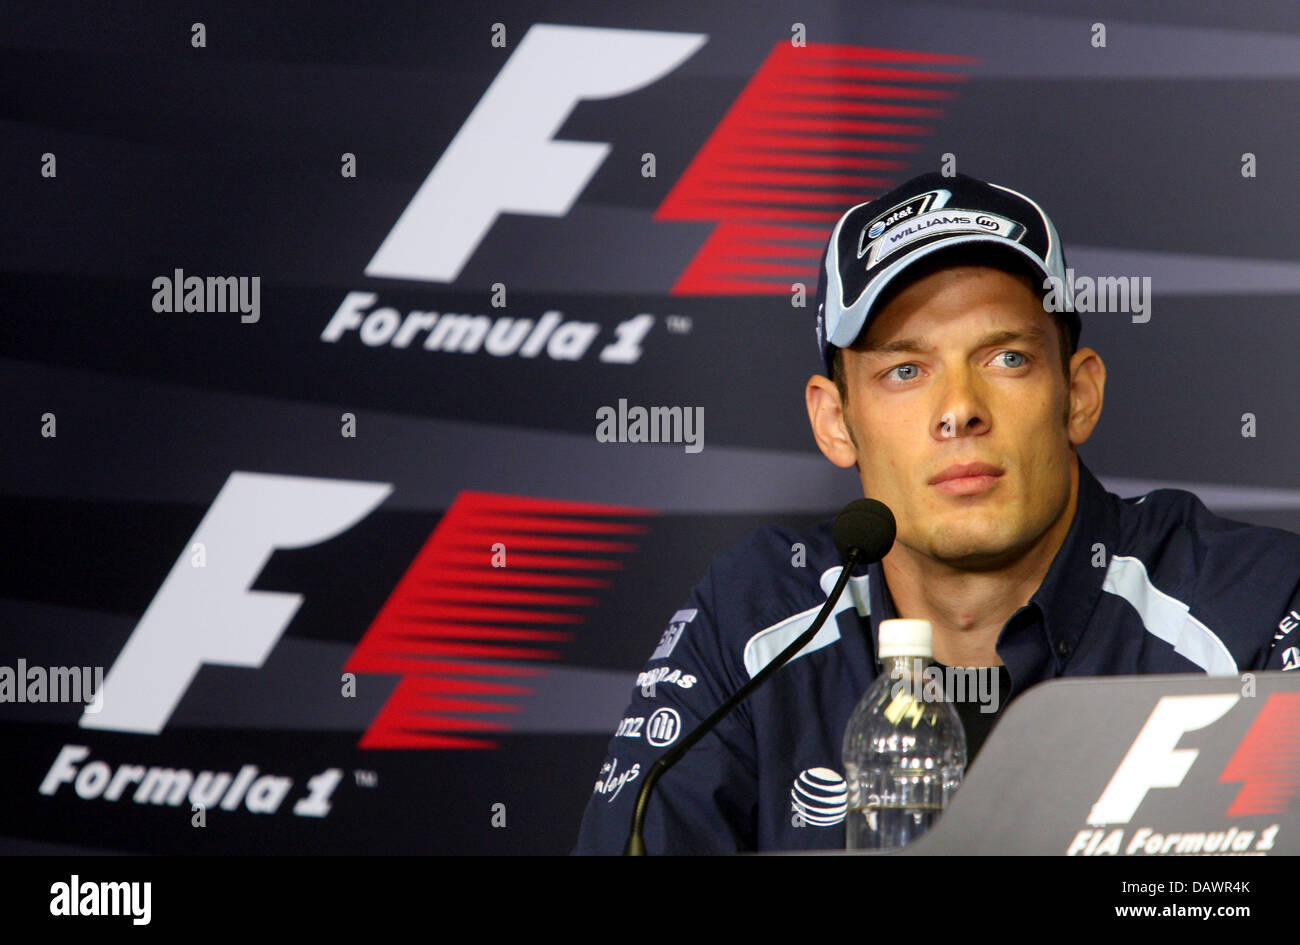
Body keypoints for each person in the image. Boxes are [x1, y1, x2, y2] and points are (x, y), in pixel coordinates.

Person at [572, 172, 1300, 854]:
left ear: (1077, 394)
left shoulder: (1249, 610)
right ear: (834, 420)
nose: (958, 410)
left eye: (1006, 358)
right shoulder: (755, 620)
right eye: (905, 370)